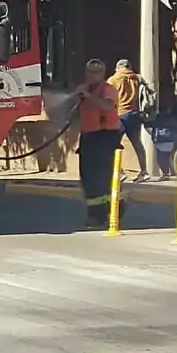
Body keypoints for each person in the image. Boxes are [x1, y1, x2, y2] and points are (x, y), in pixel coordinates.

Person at [74, 59, 123, 230]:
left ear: (102, 74)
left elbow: (107, 105)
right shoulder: (84, 90)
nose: (91, 75)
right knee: (88, 178)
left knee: (101, 178)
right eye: (89, 72)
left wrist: (88, 96)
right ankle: (107, 209)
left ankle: (99, 215)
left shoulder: (107, 89)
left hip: (105, 137)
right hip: (88, 137)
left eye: (96, 72)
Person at [108, 59, 150, 181]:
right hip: (136, 114)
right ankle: (144, 172)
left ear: (118, 68)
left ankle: (120, 172)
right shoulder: (137, 78)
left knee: (111, 144)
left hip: (120, 115)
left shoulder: (113, 79)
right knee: (137, 143)